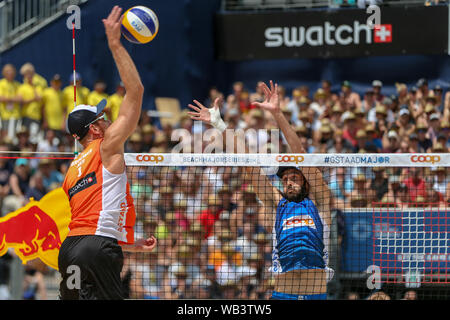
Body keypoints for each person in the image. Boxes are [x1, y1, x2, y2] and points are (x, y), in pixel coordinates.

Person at [188, 80, 333, 300]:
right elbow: (249, 164)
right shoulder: (278, 203)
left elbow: (300, 153)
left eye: (294, 178)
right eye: (285, 180)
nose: (289, 182)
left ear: (305, 181)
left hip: (316, 294)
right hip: (284, 294)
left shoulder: (319, 202)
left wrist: (277, 114)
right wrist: (219, 125)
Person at [58, 6, 156, 300]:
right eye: (102, 117)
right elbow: (135, 91)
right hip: (96, 247)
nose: (108, 118)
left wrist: (130, 243)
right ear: (96, 129)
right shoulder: (107, 145)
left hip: (71, 250)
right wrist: (115, 43)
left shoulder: (72, 170)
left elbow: (92, 220)